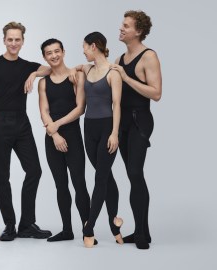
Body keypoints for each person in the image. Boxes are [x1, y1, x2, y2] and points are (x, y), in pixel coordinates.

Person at [0, 21, 53, 241]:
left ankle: (26, 224)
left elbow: (49, 68)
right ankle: (10, 225)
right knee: (3, 175)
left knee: (35, 170)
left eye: (17, 39)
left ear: (23, 41)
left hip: (22, 123)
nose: (13, 43)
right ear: (4, 40)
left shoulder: (27, 66)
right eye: (10, 39)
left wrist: (33, 74)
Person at [110, 10, 162, 249]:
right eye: (122, 24)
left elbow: (156, 93)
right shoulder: (120, 58)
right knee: (133, 176)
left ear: (138, 31)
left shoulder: (148, 56)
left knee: (135, 173)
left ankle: (141, 233)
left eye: (126, 26)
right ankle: (143, 232)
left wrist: (126, 78)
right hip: (123, 123)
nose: (121, 28)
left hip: (140, 120)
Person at [37, 38, 91, 242]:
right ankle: (67, 230)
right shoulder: (43, 82)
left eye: (57, 51)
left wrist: (56, 126)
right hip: (52, 139)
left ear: (63, 52)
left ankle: (88, 230)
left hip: (73, 136)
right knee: (61, 185)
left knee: (79, 183)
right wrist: (54, 134)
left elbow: (80, 108)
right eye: (49, 53)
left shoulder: (76, 76)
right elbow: (44, 111)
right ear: (44, 57)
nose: (54, 55)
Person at [80, 32, 123, 248]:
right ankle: (115, 224)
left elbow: (117, 105)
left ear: (94, 46)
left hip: (107, 127)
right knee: (105, 177)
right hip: (88, 128)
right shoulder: (86, 69)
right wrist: (35, 74)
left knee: (100, 178)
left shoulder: (113, 73)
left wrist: (114, 133)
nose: (84, 51)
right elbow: (62, 69)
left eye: (85, 47)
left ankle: (89, 227)